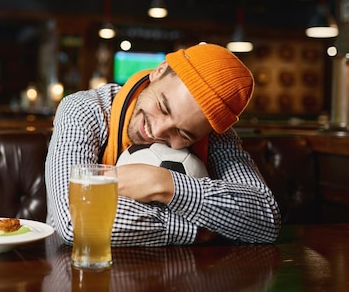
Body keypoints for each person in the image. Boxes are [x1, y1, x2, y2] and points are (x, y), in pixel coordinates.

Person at [45, 43, 281, 247]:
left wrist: (164, 184)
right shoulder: (84, 109)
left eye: (182, 133)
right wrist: (194, 230)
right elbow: (74, 221)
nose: (156, 131)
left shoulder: (212, 134)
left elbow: (265, 218)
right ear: (159, 72)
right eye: (163, 107)